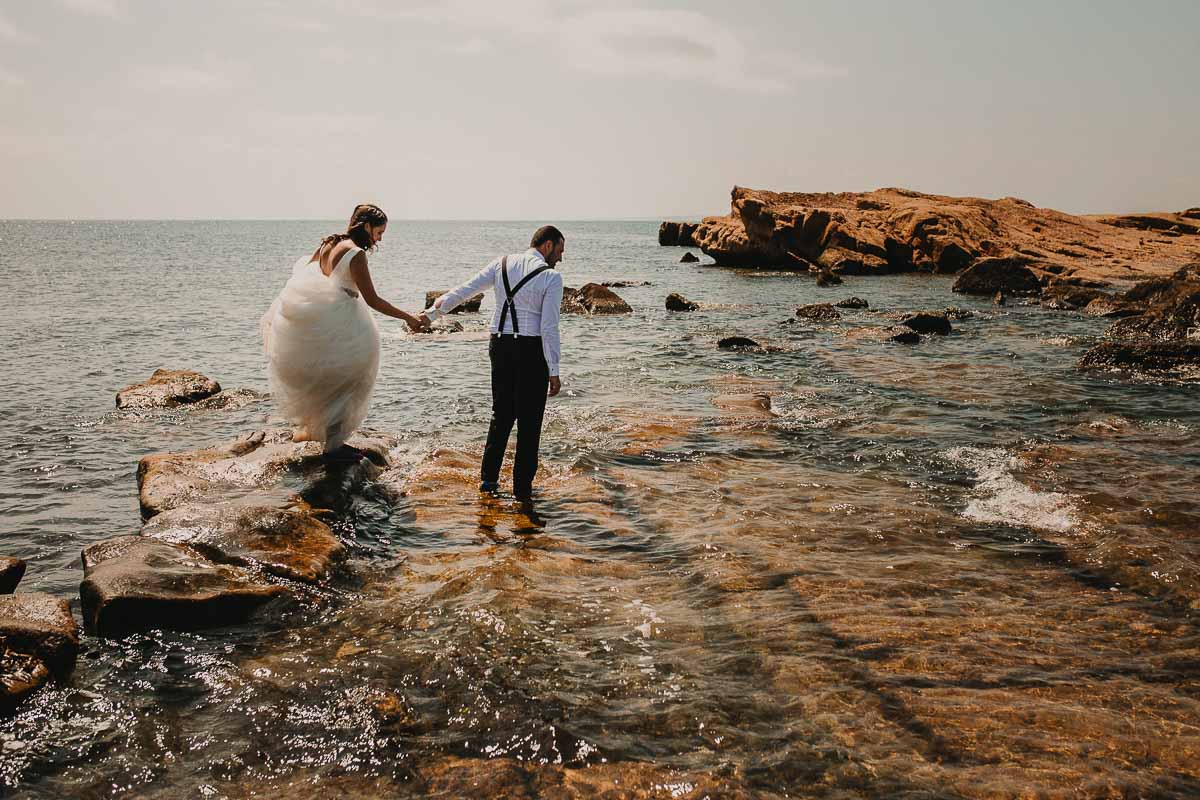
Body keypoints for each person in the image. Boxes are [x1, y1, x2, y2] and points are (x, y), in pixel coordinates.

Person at [261, 203, 426, 457]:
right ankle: (334, 446)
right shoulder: (355, 254)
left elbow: (309, 276)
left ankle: (320, 433)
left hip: (324, 322)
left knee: (327, 380)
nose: (380, 238)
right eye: (379, 232)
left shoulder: (328, 243)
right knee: (350, 380)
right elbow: (373, 299)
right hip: (345, 323)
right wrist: (409, 318)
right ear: (367, 226)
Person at [421, 225, 565, 498]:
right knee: (530, 422)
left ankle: (488, 482)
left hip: (499, 346)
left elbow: (465, 290)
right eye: (559, 251)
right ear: (547, 246)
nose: (560, 258)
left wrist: (430, 316)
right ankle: (522, 489)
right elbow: (549, 327)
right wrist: (554, 369)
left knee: (501, 415)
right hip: (531, 350)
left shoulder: (501, 264)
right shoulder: (551, 278)